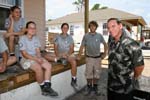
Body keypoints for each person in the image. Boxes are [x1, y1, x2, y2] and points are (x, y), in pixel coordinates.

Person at [107, 18, 144, 100]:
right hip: (111, 87)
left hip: (124, 90)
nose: (110, 30)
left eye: (113, 26)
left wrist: (134, 77)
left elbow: (139, 67)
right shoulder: (111, 41)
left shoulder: (132, 44)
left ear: (120, 26)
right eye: (108, 27)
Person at [19, 21, 58, 96]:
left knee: (48, 65)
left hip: (35, 57)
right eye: (30, 28)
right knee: (38, 68)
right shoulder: (22, 39)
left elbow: (37, 51)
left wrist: (39, 58)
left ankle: (47, 86)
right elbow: (25, 54)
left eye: (34, 28)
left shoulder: (35, 38)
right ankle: (43, 88)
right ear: (27, 29)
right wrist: (37, 60)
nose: (33, 29)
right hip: (25, 59)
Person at [44, 23, 78, 89]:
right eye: (64, 28)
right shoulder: (57, 37)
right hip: (59, 54)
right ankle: (59, 60)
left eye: (66, 28)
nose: (65, 29)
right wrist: (58, 55)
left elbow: (72, 49)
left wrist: (67, 55)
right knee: (46, 56)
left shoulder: (70, 37)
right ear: (61, 28)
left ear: (68, 29)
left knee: (74, 62)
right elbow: (55, 48)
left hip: (68, 54)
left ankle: (74, 79)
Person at [77, 21, 108, 95]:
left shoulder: (99, 35)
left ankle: (95, 87)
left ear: (96, 27)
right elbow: (82, 46)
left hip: (98, 58)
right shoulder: (86, 36)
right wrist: (79, 55)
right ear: (89, 27)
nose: (92, 27)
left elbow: (105, 44)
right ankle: (89, 87)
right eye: (91, 26)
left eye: (94, 26)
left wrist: (104, 54)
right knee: (89, 74)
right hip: (89, 58)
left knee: (97, 74)